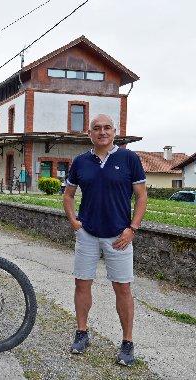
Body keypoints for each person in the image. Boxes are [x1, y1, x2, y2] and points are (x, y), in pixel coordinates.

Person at [62, 114, 147, 366]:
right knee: (82, 284)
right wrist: (73, 221)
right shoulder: (80, 162)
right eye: (96, 128)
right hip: (87, 234)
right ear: (89, 133)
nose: (102, 132)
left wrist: (133, 228)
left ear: (114, 131)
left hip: (119, 236)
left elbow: (141, 197)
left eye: (107, 128)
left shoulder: (129, 158)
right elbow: (68, 195)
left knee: (122, 288)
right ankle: (82, 333)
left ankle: (127, 343)